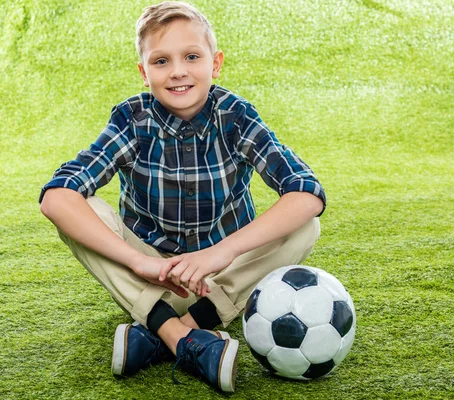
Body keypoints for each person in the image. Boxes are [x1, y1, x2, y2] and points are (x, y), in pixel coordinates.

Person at [39, 1, 326, 392]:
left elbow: (307, 193)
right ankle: (187, 339)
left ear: (215, 63)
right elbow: (56, 197)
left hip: (220, 277)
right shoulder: (131, 119)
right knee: (78, 208)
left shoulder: (236, 116)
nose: (177, 71)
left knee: (305, 226)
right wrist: (140, 262)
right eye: (160, 61)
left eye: (192, 56)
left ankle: (165, 333)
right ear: (144, 72)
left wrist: (220, 253)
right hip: (149, 280)